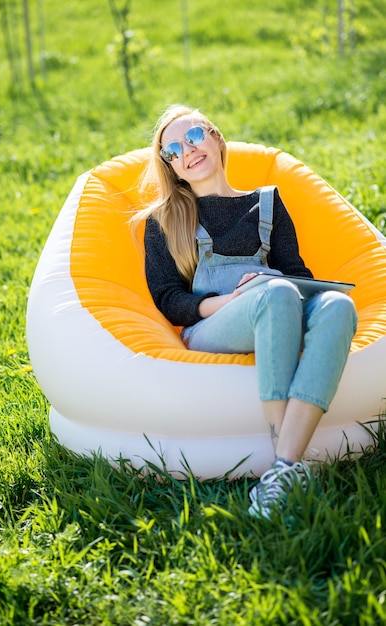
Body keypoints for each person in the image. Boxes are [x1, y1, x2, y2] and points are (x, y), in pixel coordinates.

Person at [132, 104, 357, 519]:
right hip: (214, 324)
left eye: (195, 137)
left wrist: (293, 288)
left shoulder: (267, 203)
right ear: (171, 166)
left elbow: (295, 273)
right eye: (173, 149)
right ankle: (286, 465)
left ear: (216, 138)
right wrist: (233, 300)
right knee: (275, 295)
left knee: (338, 306)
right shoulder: (164, 220)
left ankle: (282, 471)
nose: (187, 151)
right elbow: (169, 299)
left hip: (279, 305)